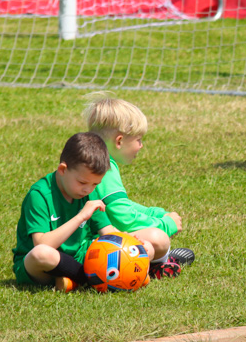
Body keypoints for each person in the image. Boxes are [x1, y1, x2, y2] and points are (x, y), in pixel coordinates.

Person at [85, 94, 194, 279]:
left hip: (91, 240)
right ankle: (161, 263)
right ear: (119, 141)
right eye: (139, 140)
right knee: (158, 238)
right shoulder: (104, 168)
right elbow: (124, 218)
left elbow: (119, 204)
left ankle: (157, 259)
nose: (141, 146)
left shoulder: (91, 159)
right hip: (93, 247)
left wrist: (155, 213)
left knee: (154, 241)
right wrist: (165, 224)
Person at [12, 132, 118, 291]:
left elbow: (107, 231)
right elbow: (41, 244)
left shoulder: (87, 191)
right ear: (62, 169)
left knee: (150, 242)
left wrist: (132, 244)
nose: (88, 189)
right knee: (41, 254)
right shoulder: (39, 195)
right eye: (82, 182)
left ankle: (73, 280)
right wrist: (81, 216)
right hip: (43, 268)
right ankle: (91, 278)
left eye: (95, 184)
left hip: (80, 257)